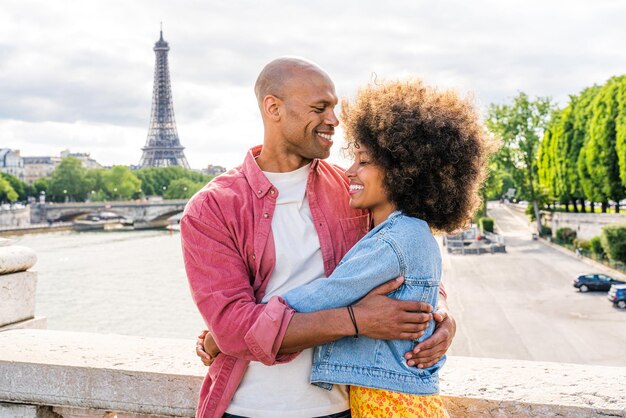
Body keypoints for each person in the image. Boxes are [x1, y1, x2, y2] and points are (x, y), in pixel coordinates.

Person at [181, 58, 456, 418]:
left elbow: (406, 256)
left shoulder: (354, 191)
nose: (334, 119)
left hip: (341, 407)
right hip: (246, 408)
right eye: (319, 108)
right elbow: (234, 329)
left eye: (334, 107)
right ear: (273, 107)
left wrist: (439, 314)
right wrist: (355, 320)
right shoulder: (209, 209)